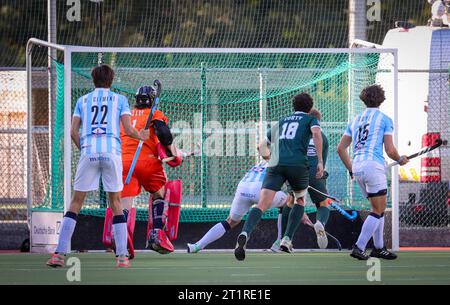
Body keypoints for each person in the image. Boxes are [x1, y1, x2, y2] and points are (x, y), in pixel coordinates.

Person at [46, 65, 149, 268]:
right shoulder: (120, 99)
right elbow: (128, 129)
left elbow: (73, 131)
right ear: (111, 80)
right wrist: (141, 135)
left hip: (89, 151)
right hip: (111, 152)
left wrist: (85, 149)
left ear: (93, 80)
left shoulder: (82, 100)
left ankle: (58, 254)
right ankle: (121, 256)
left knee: (76, 203)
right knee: (116, 203)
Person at [234, 92, 324, 260]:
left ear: (294, 106)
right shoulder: (310, 119)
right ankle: (287, 240)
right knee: (299, 200)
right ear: (309, 108)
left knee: (262, 204)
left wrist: (270, 158)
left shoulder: (282, 120)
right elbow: (317, 134)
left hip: (276, 165)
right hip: (298, 165)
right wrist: (319, 161)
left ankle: (245, 233)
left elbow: (261, 146)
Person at [337, 84, 408, 260]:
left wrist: (351, 169)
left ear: (363, 99)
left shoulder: (355, 120)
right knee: (378, 209)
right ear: (382, 99)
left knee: (378, 208)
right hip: (373, 167)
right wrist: (400, 160)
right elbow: (390, 150)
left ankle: (379, 248)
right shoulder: (385, 119)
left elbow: (340, 148)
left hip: (358, 167)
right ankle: (359, 247)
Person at [119, 85, 181, 254]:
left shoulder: (125, 115)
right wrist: (174, 153)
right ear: (152, 100)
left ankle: (120, 236)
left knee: (126, 201)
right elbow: (165, 135)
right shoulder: (155, 114)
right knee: (158, 193)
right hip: (148, 162)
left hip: (124, 162)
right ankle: (158, 232)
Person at [186, 160, 287, 253]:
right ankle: (279, 242)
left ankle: (196, 246)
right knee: (287, 202)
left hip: (243, 188)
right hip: (260, 189)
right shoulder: (284, 161)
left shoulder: (261, 162)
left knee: (230, 222)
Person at [271, 108, 330, 250]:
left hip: (297, 171)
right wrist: (323, 175)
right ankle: (320, 222)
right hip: (315, 174)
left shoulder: (295, 134)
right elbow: (322, 163)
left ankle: (283, 239)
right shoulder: (322, 137)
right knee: (323, 204)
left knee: (291, 202)